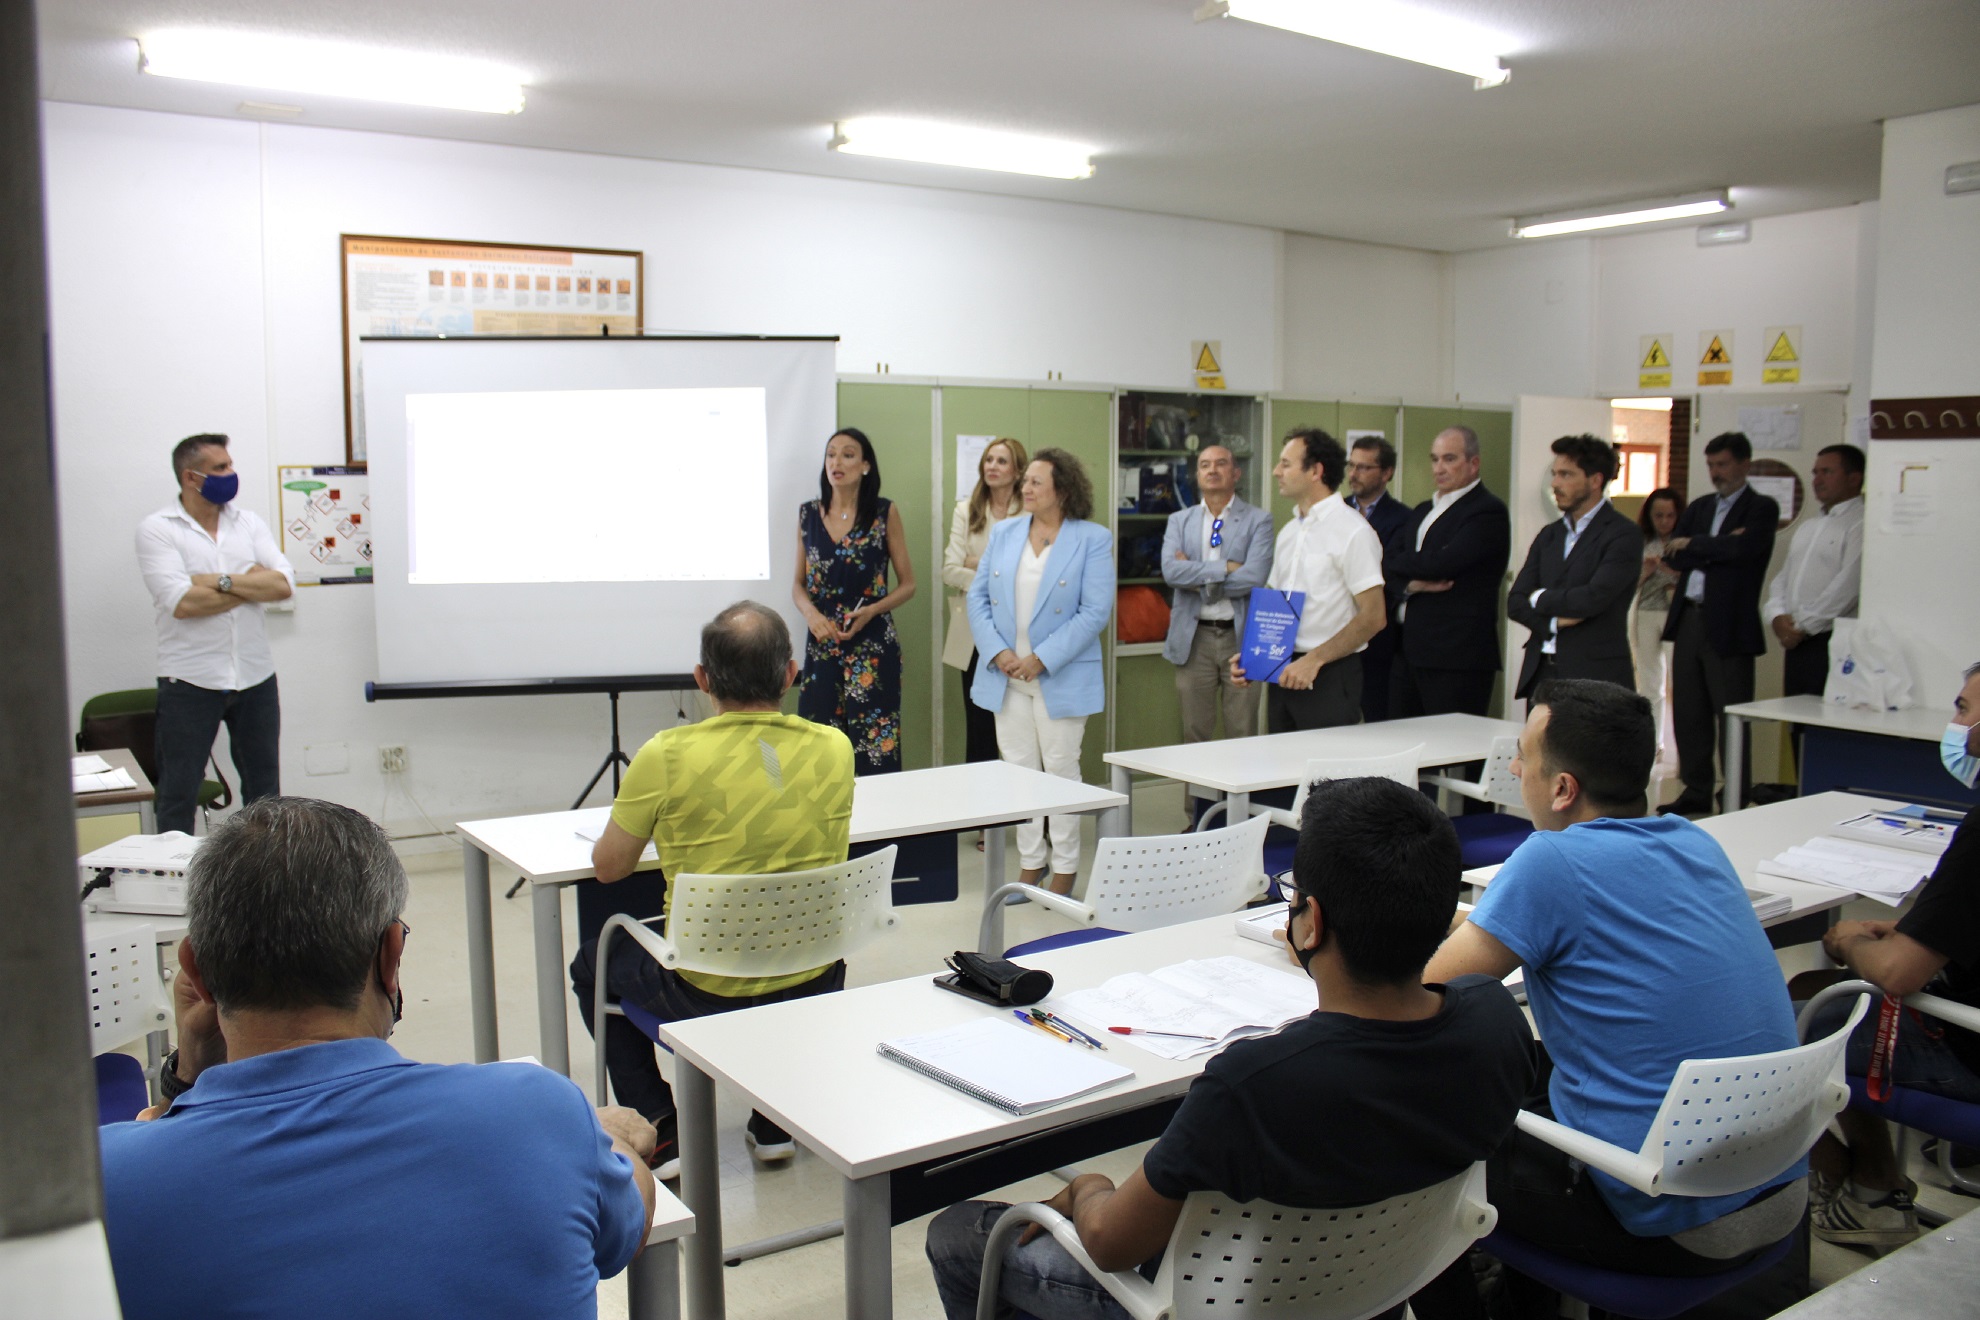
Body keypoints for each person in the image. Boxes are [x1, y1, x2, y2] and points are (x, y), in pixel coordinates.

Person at [925, 776, 1534, 1320]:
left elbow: (1112, 1246)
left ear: (1309, 922)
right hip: (1382, 1283)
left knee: (959, 1234)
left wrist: (1086, 1185)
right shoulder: (1493, 1018)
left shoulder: (1252, 1083)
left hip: (1228, 1301)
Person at [100, 797, 656, 1320]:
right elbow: (629, 1222)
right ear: (391, 955)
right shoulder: (539, 1111)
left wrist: (189, 1075)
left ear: (195, 972)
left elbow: (161, 1150)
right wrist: (604, 1139)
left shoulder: (109, 1185)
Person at [1420, 680, 1807, 1312]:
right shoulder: (1694, 841)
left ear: (1563, 788)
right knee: (1529, 1081)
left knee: (1418, 1134)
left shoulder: (1551, 860)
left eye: (1523, 757)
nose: (1515, 770)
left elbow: (1429, 988)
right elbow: (1525, 928)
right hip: (1776, 1190)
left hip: (1667, 1219)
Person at [571, 602, 856, 1175]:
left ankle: (661, 1122)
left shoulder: (666, 755)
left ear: (702, 680)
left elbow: (608, 868)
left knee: (590, 965)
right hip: (814, 976)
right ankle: (775, 1120)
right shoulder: (835, 748)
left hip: (704, 990)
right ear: (790, 675)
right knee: (776, 927)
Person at [1790, 661, 1980, 1251]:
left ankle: (1868, 1185)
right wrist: (1912, 929)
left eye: (1964, 710)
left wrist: (1851, 940)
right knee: (1818, 989)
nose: (1957, 724)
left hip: (1967, 1049)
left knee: (1792, 1010)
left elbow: (1898, 973)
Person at [967, 448, 1114, 894]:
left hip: (1059, 675)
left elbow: (1095, 611)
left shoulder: (1092, 538)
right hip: (1006, 676)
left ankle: (1066, 867)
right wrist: (998, 651)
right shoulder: (1006, 532)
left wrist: (1042, 657)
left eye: (1035, 482)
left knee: (1061, 773)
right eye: (1025, 481)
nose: (1024, 488)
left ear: (1062, 491)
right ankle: (1032, 863)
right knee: (1019, 772)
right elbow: (977, 598)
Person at [134, 433, 295, 834]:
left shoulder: (249, 523)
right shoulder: (158, 529)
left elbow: (283, 586)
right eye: (220, 468)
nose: (231, 473)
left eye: (230, 464)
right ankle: (177, 884)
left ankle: (264, 881)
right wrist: (248, 584)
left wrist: (217, 582)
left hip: (254, 677)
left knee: (265, 794)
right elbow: (184, 604)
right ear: (191, 477)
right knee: (178, 793)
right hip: (190, 680)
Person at [1226, 427, 1385, 732]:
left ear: (1315, 470)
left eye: (1286, 464)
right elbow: (1275, 605)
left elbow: (1374, 617)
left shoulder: (1353, 531)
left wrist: (1314, 660)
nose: (1276, 472)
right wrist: (1253, 657)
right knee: (1282, 777)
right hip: (1282, 669)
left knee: (1328, 778)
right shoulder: (1289, 532)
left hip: (1330, 673)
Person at [1660, 432, 1779, 816]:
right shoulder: (1699, 507)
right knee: (1689, 713)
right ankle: (1695, 790)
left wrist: (1695, 546)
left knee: (1731, 714)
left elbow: (1746, 550)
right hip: (1690, 619)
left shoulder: (1761, 508)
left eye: (1723, 464)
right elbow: (1672, 556)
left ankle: (1735, 794)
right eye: (1711, 465)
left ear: (1744, 464)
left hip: (1729, 625)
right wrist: (1713, 546)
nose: (1716, 473)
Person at [793, 426, 917, 774]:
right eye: (831, 454)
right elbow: (797, 585)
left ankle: (880, 826)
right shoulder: (807, 515)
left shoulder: (883, 513)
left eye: (848, 454)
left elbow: (908, 585)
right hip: (823, 644)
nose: (837, 461)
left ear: (865, 465)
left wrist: (872, 611)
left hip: (873, 646)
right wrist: (811, 615)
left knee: (875, 751)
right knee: (819, 751)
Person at [1160, 443, 1273, 820]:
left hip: (1241, 638)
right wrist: (1226, 568)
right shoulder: (1181, 520)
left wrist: (1197, 573)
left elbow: (1255, 576)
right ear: (1197, 474)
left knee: (1242, 733)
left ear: (1235, 473)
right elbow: (1170, 573)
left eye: (1220, 464)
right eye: (1204, 465)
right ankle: (1199, 819)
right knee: (1195, 735)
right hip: (1195, 640)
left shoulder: (1259, 520)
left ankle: (1238, 820)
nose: (1212, 470)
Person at [1383, 426, 1511, 719]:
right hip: (1408, 649)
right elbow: (1387, 561)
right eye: (1435, 459)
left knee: (1453, 749)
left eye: (1449, 459)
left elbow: (1444, 564)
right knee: (1403, 742)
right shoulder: (1422, 510)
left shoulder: (1486, 511)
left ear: (1473, 463)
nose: (1439, 468)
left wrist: (1408, 565)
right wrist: (1413, 584)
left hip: (1456, 655)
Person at [1506, 435, 1641, 699]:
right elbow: (1516, 602)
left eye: (1566, 475)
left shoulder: (1623, 534)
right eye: (1555, 474)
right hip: (1542, 670)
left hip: (1594, 675)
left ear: (1595, 480)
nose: (1555, 483)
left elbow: (1592, 598)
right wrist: (1553, 623)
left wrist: (1540, 597)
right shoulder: (1549, 535)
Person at [943, 437, 1027, 764]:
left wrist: (981, 564)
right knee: (979, 721)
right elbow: (950, 570)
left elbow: (1033, 569)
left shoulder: (1029, 511)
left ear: (1018, 469)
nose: (992, 466)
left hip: (1020, 628)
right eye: (988, 460)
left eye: (1001, 461)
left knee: (1016, 722)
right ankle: (982, 808)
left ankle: (1019, 802)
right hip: (975, 627)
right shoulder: (966, 510)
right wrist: (1000, 573)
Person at [1764, 443, 1866, 700]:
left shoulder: (1861, 523)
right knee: (1796, 722)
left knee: (1823, 721)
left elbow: (1847, 588)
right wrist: (1776, 616)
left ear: (1854, 478)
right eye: (1815, 472)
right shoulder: (1810, 526)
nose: (1817, 480)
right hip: (1797, 641)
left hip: (1830, 641)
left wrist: (1802, 626)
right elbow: (1782, 580)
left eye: (1827, 472)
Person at [1344, 435, 1410, 723]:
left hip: (1378, 635)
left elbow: (1391, 571)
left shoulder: (1403, 518)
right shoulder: (1336, 511)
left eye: (1363, 467)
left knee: (1376, 715)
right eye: (1351, 465)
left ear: (1387, 473)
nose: (1353, 474)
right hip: (1335, 626)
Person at [1632, 487, 1683, 753]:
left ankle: (1683, 743)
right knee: (1650, 680)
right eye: (1658, 515)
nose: (1664, 521)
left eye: (1670, 515)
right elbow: (1630, 586)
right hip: (1645, 613)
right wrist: (1646, 570)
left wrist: (1673, 573)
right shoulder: (1641, 542)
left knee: (1681, 678)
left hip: (1675, 614)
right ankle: (1653, 742)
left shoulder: (1684, 542)